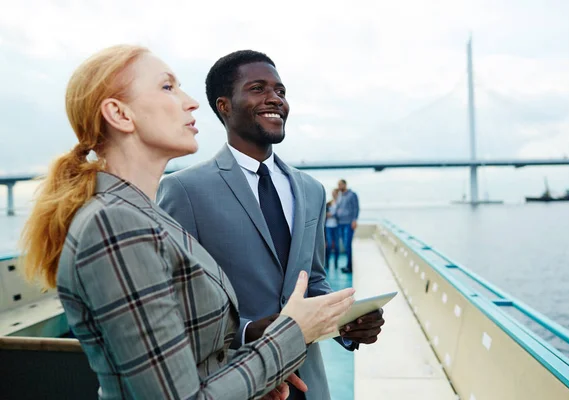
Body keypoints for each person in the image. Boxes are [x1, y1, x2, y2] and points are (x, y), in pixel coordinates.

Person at [18, 45, 355, 400]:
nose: (192, 102)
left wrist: (254, 375)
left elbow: (188, 357)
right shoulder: (115, 226)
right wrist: (293, 334)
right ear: (119, 114)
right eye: (168, 87)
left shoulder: (146, 217)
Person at [157, 50, 385, 400]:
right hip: (235, 382)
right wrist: (247, 331)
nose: (275, 99)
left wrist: (346, 324)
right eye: (258, 88)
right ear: (224, 106)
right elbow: (172, 301)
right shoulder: (184, 190)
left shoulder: (311, 190)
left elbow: (314, 278)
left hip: (309, 383)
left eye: (281, 91)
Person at [335, 179, 359, 273]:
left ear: (345, 185)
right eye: (338, 185)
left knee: (347, 244)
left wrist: (354, 220)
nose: (339, 187)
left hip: (348, 223)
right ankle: (347, 265)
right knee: (345, 245)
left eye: (340, 185)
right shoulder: (340, 196)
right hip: (340, 223)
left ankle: (350, 266)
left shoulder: (352, 195)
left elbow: (356, 208)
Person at [325, 189, 339, 269]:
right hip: (328, 226)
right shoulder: (329, 203)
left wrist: (333, 215)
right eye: (333, 193)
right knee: (329, 245)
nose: (334, 195)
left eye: (335, 193)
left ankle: (336, 263)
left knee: (337, 246)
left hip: (336, 227)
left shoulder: (340, 204)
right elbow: (324, 214)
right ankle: (327, 263)